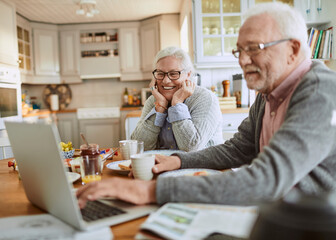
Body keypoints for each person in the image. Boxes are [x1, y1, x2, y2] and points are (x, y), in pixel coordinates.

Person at [77, 2, 336, 207]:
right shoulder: (267, 94)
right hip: (275, 215)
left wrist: (151, 190)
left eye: (254, 48)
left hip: (312, 226)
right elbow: (235, 150)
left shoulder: (319, 90)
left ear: (293, 50)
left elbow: (266, 179)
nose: (243, 60)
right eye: (239, 50)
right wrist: (178, 161)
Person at [130, 46, 223, 151]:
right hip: (164, 166)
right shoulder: (154, 100)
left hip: (203, 166)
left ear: (188, 74)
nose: (165, 81)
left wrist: (177, 103)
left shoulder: (205, 98)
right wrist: (159, 108)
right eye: (160, 73)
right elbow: (139, 147)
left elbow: (191, 148)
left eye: (173, 74)